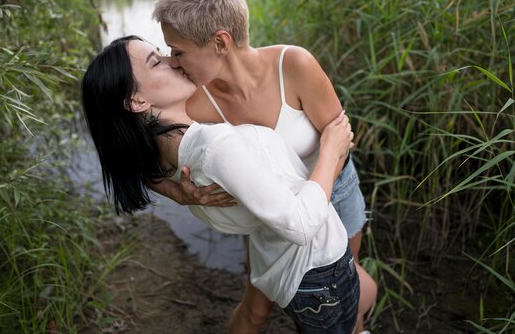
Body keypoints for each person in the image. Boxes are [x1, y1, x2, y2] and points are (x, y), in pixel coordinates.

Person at [151, 0, 377, 333]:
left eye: (179, 52)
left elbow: (340, 142)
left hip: (336, 195)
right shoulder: (197, 103)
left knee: (345, 295)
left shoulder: (295, 66)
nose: (172, 63)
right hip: (270, 210)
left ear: (220, 42)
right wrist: (178, 192)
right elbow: (137, 160)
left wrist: (312, 206)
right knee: (256, 307)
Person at [81, 36, 360, 333]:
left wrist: (175, 192)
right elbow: (301, 225)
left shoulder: (166, 153)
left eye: (166, 52)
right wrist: (331, 147)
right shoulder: (214, 146)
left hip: (284, 268)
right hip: (316, 270)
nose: (172, 60)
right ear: (137, 102)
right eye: (156, 61)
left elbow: (129, 158)